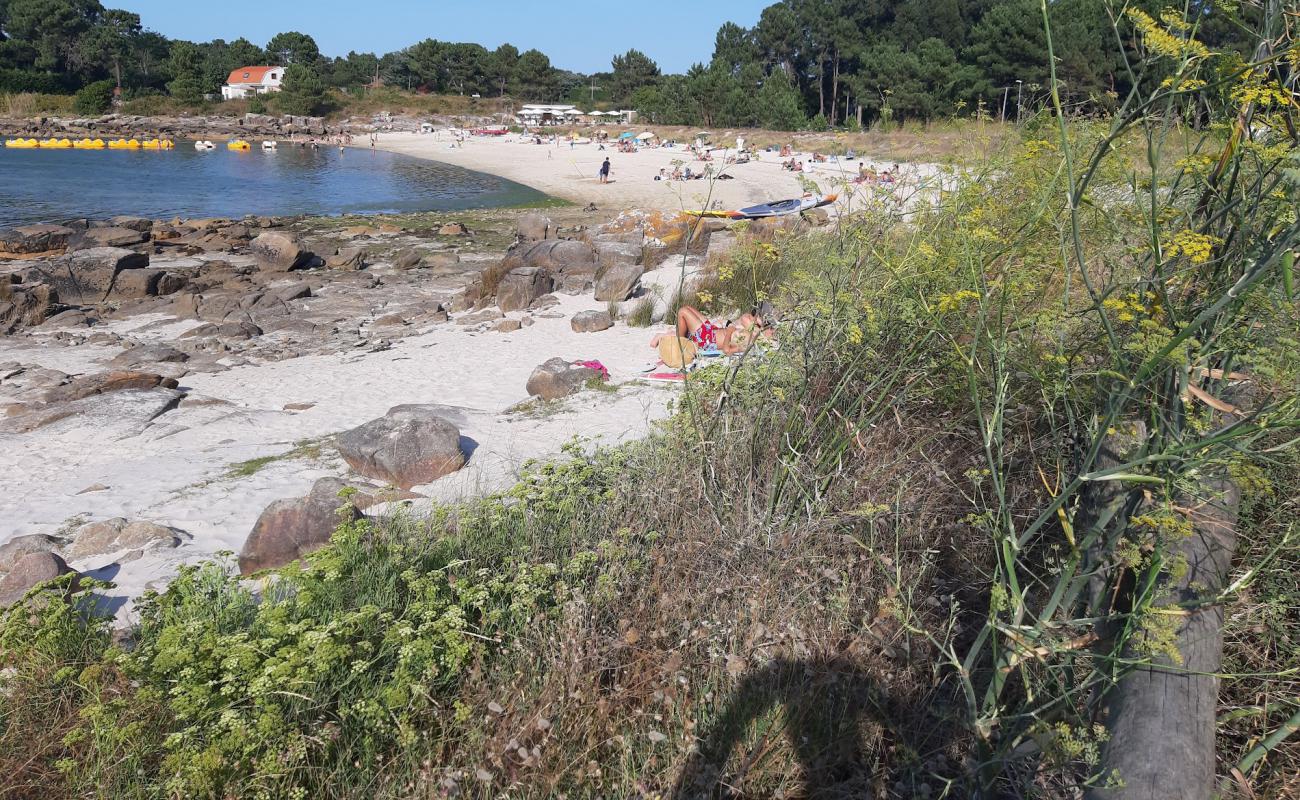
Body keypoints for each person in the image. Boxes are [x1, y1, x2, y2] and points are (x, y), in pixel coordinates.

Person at [650, 306, 774, 357]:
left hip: (709, 340)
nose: (770, 330)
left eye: (771, 329)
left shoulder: (751, 340)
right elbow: (746, 318)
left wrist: (730, 332)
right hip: (712, 332)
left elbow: (727, 350)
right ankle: (672, 336)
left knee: (683, 311)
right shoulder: (755, 332)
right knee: (687, 308)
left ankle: (679, 343)